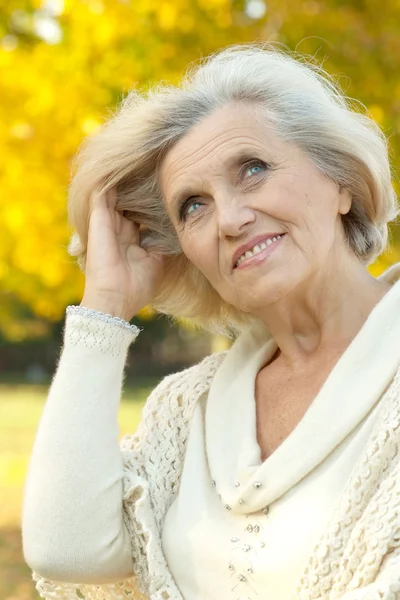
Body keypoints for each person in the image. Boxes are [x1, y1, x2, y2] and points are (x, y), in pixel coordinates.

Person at [21, 43, 400, 600]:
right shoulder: (189, 407)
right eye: (193, 206)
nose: (229, 218)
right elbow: (66, 551)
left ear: (341, 182)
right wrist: (105, 304)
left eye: (252, 169)